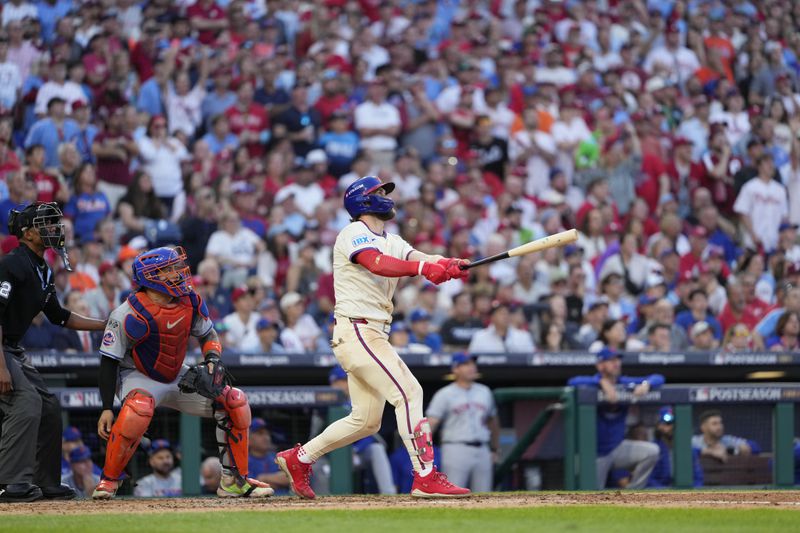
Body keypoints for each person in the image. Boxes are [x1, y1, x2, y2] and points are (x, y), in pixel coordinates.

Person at [275, 176, 472, 499]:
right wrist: (425, 270)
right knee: (409, 392)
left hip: (371, 332)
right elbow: (376, 263)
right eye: (379, 192)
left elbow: (418, 258)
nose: (386, 197)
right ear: (363, 200)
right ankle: (425, 475)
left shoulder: (392, 239)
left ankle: (299, 458)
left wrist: (450, 264)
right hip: (357, 329)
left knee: (366, 421)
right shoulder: (353, 233)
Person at [91, 246, 272, 499]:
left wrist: (212, 357)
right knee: (138, 409)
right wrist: (107, 407)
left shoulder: (190, 299)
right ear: (150, 278)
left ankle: (234, 480)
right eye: (168, 270)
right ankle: (109, 481)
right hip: (138, 375)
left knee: (235, 401)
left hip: (176, 374)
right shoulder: (126, 313)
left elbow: (208, 334)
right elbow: (108, 361)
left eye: (177, 267)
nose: (177, 273)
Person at [0, 202, 106, 503]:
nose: (54, 229)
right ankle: (10, 482)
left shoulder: (42, 268)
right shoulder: (12, 263)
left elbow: (59, 316)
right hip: (1, 348)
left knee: (48, 406)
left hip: (11, 347)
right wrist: (1, 368)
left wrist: (104, 324)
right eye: (46, 224)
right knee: (26, 400)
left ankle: (44, 482)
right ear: (28, 233)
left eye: (54, 223)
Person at [567, 348, 665, 490]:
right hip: (594, 454)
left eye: (618, 360)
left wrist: (646, 385)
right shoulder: (590, 384)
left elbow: (659, 377)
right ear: (600, 365)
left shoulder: (624, 382)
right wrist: (600, 382)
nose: (616, 363)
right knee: (591, 497)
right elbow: (572, 382)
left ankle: (632, 493)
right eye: (611, 360)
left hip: (617, 448)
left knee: (652, 451)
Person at [426, 353, 499, 493]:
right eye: (466, 364)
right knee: (452, 495)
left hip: (482, 449)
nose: (472, 367)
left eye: (472, 364)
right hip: (455, 449)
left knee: (484, 497)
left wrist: (495, 448)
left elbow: (493, 421)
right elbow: (431, 423)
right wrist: (426, 453)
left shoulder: (484, 391)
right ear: (455, 369)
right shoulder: (444, 394)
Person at [325, 365, 396, 495]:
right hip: (332, 454)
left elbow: (370, 434)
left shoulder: (362, 400)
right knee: (318, 466)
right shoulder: (324, 405)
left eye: (342, 381)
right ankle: (322, 502)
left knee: (376, 449)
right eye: (335, 382)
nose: (338, 386)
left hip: (358, 452)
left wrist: (355, 450)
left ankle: (389, 494)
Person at [647, 407, 703, 488]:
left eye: (674, 423)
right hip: (661, 494)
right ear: (658, 426)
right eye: (667, 423)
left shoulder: (688, 449)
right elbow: (649, 480)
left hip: (686, 495)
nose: (671, 427)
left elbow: (698, 479)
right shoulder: (653, 449)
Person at [468, 301, 536, 354]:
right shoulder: (480, 336)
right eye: (501, 313)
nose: (505, 317)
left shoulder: (523, 336)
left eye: (507, 313)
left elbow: (532, 359)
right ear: (492, 317)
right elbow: (473, 359)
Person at [691, 410, 756, 463]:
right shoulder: (695, 441)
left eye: (720, 423)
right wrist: (710, 451)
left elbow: (755, 447)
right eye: (714, 424)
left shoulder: (727, 440)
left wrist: (731, 450)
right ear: (703, 427)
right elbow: (684, 451)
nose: (719, 427)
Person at [247, 418, 290, 495]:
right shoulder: (244, 461)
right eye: (260, 433)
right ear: (248, 440)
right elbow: (248, 485)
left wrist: (263, 478)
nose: (266, 437)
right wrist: (276, 481)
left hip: (284, 500)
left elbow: (289, 478)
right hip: (255, 503)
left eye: (267, 433)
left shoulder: (277, 457)